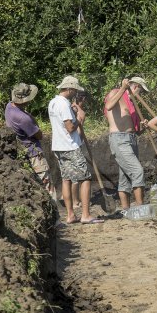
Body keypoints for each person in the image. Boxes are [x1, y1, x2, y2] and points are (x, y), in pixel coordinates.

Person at [48, 75, 104, 224]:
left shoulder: (53, 102)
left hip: (58, 146)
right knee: (85, 178)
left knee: (66, 179)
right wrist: (79, 119)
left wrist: (72, 113)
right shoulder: (63, 104)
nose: (75, 93)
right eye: (74, 90)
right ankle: (85, 215)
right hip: (70, 146)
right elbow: (71, 128)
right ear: (69, 88)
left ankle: (71, 215)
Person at [103, 76, 150, 212]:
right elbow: (108, 106)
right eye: (140, 91)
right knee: (137, 171)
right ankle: (140, 208)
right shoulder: (116, 93)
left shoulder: (132, 103)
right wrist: (123, 88)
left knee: (125, 176)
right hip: (119, 139)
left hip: (131, 139)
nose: (140, 95)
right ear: (135, 87)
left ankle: (125, 210)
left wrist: (142, 127)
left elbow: (134, 130)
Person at [4, 83, 55, 197]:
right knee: (47, 186)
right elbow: (39, 135)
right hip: (34, 154)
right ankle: (53, 210)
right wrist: (33, 120)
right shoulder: (24, 118)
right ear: (26, 100)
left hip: (22, 150)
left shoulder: (9, 106)